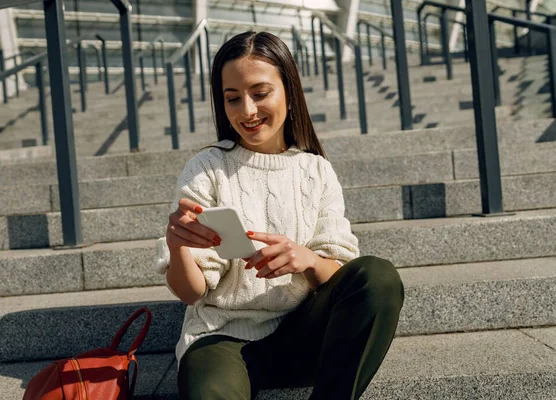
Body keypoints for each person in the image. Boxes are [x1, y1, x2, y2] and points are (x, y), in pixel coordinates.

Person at [154, 31, 404, 400]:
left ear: (289, 90)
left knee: (377, 276)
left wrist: (307, 260)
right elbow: (191, 293)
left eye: (260, 93)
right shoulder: (206, 169)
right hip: (221, 341)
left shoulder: (316, 171)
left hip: (304, 335)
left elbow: (345, 279)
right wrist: (177, 248)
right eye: (233, 98)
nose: (247, 111)